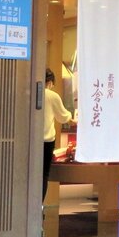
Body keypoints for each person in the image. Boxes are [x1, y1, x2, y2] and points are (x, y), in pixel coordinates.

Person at [42, 68, 72, 216]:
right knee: (43, 175)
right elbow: (63, 117)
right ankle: (39, 205)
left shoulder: (28, 91)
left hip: (29, 140)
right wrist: (71, 117)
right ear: (50, 82)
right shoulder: (52, 95)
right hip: (46, 141)